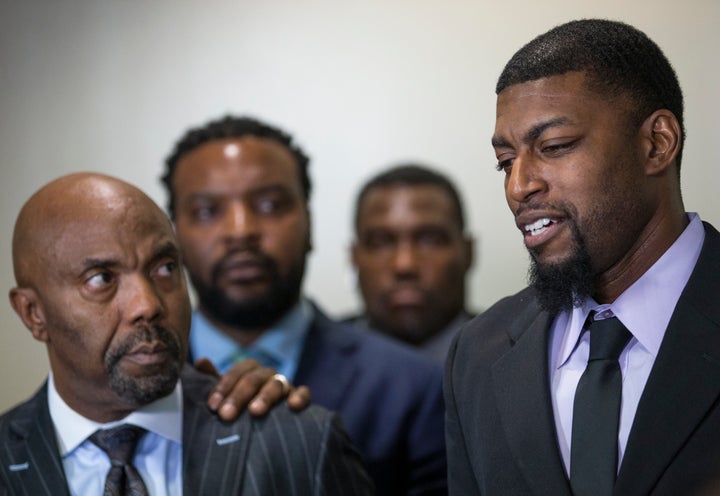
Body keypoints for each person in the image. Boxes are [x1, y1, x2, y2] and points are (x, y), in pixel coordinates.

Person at [444, 18, 720, 495]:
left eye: (554, 147)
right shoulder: (478, 352)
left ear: (657, 143)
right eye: (505, 162)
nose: (518, 186)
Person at [0, 173, 372, 495]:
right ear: (34, 314)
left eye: (164, 268)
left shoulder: (299, 440)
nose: (147, 304)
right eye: (102, 279)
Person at [161, 115, 447, 496]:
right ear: (173, 235)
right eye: (208, 211)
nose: (241, 230)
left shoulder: (413, 388)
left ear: (309, 222)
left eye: (269, 204)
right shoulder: (138, 382)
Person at [346, 164, 475, 365]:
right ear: (353, 257)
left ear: (468, 253)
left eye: (430, 240)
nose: (405, 265)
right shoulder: (314, 358)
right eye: (381, 243)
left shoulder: (522, 354)